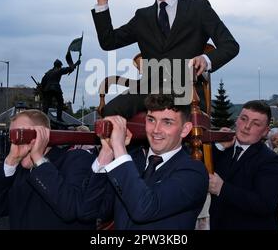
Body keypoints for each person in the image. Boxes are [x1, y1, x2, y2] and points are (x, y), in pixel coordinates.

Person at [92, 0, 239, 118]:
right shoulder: (142, 17)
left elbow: (230, 46)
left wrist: (206, 59)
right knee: (110, 113)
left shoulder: (199, 8)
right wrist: (102, 2)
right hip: (148, 88)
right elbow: (108, 42)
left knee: (168, 114)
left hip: (186, 89)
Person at [80, 93, 209, 229]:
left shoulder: (194, 172)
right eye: (151, 120)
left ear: (185, 129)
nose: (156, 130)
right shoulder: (131, 162)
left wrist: (119, 147)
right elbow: (88, 212)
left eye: (167, 122)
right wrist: (107, 153)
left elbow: (144, 208)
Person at [0, 109, 96, 229]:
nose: (18, 143)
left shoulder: (76, 159)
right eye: (14, 137)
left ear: (43, 136)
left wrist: (38, 159)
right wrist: (10, 163)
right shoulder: (18, 172)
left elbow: (72, 210)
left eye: (23, 136)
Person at [208, 100, 278, 230]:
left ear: (265, 131)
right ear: (236, 121)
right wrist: (219, 146)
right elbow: (197, 169)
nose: (247, 126)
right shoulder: (222, 148)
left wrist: (222, 188)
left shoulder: (271, 161)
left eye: (256, 124)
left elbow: (265, 204)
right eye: (244, 119)